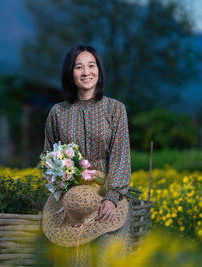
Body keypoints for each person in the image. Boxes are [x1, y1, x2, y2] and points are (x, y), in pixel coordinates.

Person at [41, 45, 132, 266]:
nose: (86, 72)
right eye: (78, 67)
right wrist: (64, 192)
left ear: (99, 70)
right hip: (73, 202)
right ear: (69, 73)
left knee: (109, 256)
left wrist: (112, 198)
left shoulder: (115, 109)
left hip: (108, 197)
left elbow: (121, 155)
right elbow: (48, 156)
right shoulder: (58, 113)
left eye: (91, 66)